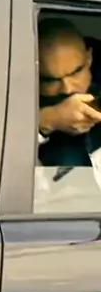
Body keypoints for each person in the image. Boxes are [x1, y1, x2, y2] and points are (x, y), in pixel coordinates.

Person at [37, 18, 101, 187]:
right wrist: (47, 120)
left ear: (89, 58)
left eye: (76, 72)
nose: (67, 88)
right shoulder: (15, 106)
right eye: (51, 80)